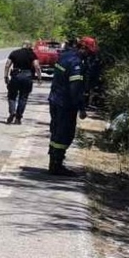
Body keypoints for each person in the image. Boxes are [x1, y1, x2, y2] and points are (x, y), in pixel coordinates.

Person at [47, 37, 88, 176]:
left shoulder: (65, 56)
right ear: (83, 48)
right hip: (66, 104)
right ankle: (57, 164)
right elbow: (75, 88)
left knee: (56, 131)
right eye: (88, 52)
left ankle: (53, 161)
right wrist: (81, 107)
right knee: (65, 134)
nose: (88, 55)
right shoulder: (76, 63)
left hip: (55, 99)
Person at [3, 41, 41, 125]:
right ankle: (18, 118)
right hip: (27, 77)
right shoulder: (32, 54)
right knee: (23, 97)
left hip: (15, 76)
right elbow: (37, 66)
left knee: (12, 96)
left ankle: (12, 112)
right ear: (29, 46)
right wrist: (39, 77)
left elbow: (7, 65)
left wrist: (6, 76)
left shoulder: (14, 53)